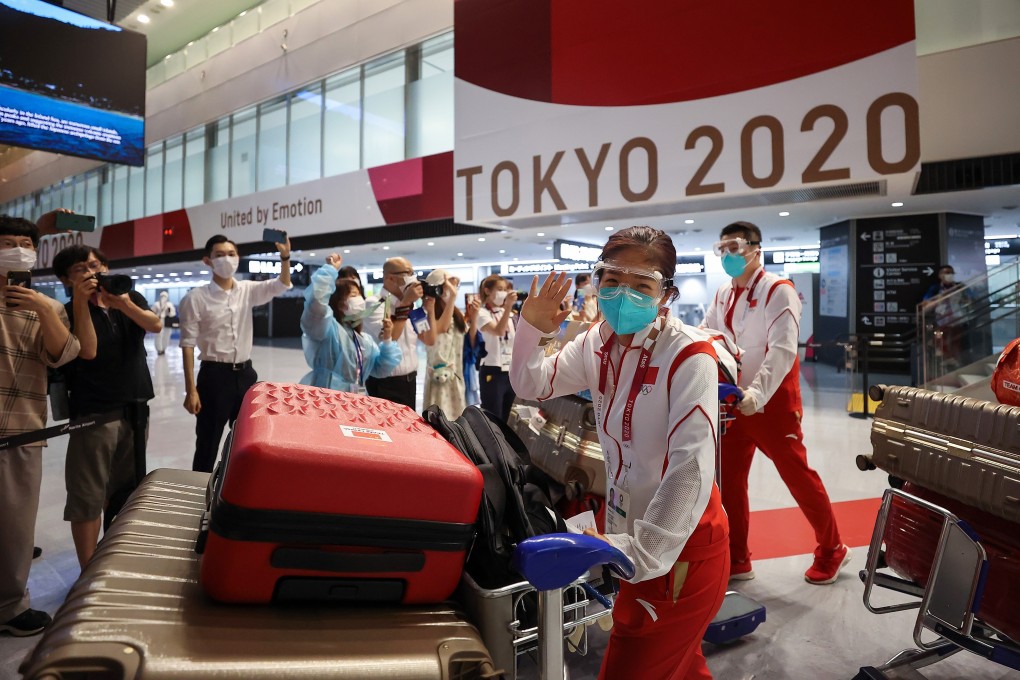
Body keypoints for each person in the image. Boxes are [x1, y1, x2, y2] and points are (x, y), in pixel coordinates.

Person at [511, 226, 728, 679]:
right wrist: (531, 328)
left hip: (680, 554)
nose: (622, 294)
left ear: (664, 294)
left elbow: (690, 470)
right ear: (596, 282)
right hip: (633, 544)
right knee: (684, 669)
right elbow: (533, 384)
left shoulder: (689, 357)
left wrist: (636, 551)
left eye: (641, 284)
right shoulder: (596, 342)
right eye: (611, 280)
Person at [705, 221, 848, 585]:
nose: (728, 256)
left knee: (797, 475)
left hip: (772, 405)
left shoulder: (777, 291)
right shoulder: (723, 293)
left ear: (755, 248)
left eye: (734, 247)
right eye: (722, 249)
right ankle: (738, 557)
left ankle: (833, 548)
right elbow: (707, 335)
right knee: (730, 481)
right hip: (733, 402)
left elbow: (782, 350)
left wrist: (758, 394)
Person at [53, 245, 160, 568]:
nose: (91, 272)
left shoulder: (128, 298)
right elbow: (88, 351)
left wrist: (122, 303)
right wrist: (83, 303)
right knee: (87, 495)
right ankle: (88, 570)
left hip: (136, 409)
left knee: (127, 491)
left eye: (96, 265)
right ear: (65, 279)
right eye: (81, 269)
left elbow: (154, 325)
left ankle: (117, 555)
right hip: (94, 413)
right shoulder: (66, 312)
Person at [0, 215, 81, 637]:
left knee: (15, 526)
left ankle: (10, 607)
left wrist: (45, 311)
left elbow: (64, 354)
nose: (17, 250)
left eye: (24, 244)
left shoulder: (45, 306)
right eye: (7, 243)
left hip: (22, 430)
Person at [178, 234, 292, 472]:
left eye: (231, 254)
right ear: (207, 261)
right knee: (208, 442)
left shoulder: (247, 290)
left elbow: (281, 284)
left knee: (246, 440)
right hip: (214, 376)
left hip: (246, 375)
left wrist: (285, 256)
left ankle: (235, 490)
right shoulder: (196, 298)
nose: (226, 260)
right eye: (219, 255)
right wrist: (191, 390)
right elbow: (187, 344)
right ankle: (200, 492)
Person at [300, 253, 401, 391]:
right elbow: (317, 303)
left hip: (355, 402)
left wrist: (388, 339)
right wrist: (330, 270)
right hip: (327, 399)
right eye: (353, 295)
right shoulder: (327, 330)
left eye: (359, 294)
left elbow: (381, 368)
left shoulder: (363, 340)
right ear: (340, 304)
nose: (359, 300)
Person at [362, 257, 435, 410]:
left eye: (413, 272)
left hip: (410, 380)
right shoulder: (374, 304)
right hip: (385, 383)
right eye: (407, 273)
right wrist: (405, 304)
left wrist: (430, 308)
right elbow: (389, 338)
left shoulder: (412, 306)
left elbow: (428, 339)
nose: (413, 277)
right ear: (389, 278)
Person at [422, 269, 468, 418]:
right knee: (441, 420)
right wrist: (452, 299)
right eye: (450, 284)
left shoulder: (454, 311)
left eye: (455, 285)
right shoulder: (426, 312)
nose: (453, 289)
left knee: (457, 419)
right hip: (438, 378)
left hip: (456, 374)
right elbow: (441, 328)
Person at [476, 274, 518, 422]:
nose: (504, 292)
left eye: (505, 289)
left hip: (509, 370)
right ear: (487, 291)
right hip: (492, 369)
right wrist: (508, 307)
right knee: (493, 416)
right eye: (499, 289)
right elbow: (498, 331)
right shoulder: (481, 313)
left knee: (507, 417)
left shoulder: (509, 314)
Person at [922, 265, 968, 367]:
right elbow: (925, 303)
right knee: (941, 339)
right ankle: (946, 358)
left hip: (957, 319)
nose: (949, 275)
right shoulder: (935, 288)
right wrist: (938, 298)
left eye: (951, 273)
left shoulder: (959, 286)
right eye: (946, 273)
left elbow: (968, 300)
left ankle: (955, 360)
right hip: (941, 320)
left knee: (956, 341)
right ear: (940, 275)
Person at [150, 291, 176, 355]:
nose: (163, 298)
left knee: (167, 335)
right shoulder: (156, 304)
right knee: (158, 335)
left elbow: (173, 314)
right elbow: (152, 312)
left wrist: (169, 311)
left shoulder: (169, 304)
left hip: (167, 321)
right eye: (162, 296)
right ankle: (159, 349)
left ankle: (164, 348)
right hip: (159, 320)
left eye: (165, 296)